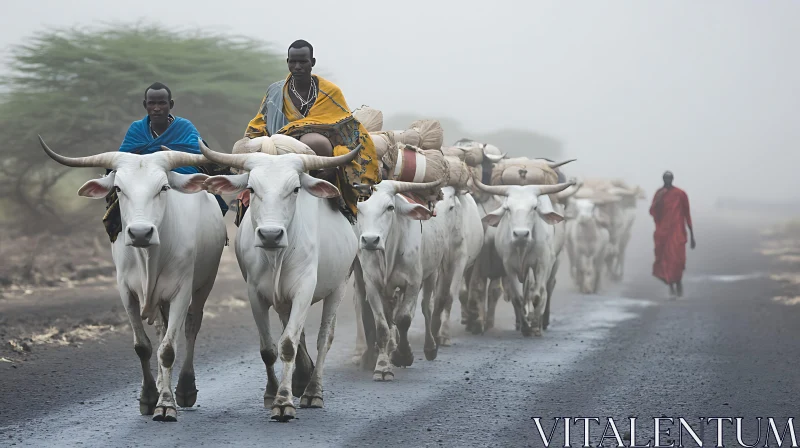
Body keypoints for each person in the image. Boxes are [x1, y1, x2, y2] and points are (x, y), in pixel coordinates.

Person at [239, 39, 380, 225]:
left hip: (319, 163)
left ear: (312, 62)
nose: (297, 66)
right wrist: (250, 145)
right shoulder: (275, 92)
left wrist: (332, 166)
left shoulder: (330, 92)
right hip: (278, 157)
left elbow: (347, 130)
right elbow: (260, 124)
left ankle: (335, 203)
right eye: (293, 61)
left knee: (314, 141)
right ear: (287, 62)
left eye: (303, 62)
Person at [102, 82, 230, 242]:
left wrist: (174, 159)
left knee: (203, 192)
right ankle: (119, 236)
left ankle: (214, 231)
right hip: (141, 178)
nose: (156, 108)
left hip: (179, 175)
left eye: (162, 103)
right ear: (145, 105)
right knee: (120, 193)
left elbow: (200, 155)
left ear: (171, 104)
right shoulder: (136, 129)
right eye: (152, 103)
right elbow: (121, 159)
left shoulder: (184, 127)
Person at [649, 171, 696, 298]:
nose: (667, 181)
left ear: (673, 179)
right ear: (663, 179)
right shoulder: (659, 194)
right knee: (665, 259)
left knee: (677, 259)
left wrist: (692, 235)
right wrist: (658, 200)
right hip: (663, 232)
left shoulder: (680, 194)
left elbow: (687, 213)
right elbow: (652, 211)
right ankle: (671, 286)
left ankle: (678, 282)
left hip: (677, 231)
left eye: (669, 178)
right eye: (665, 179)